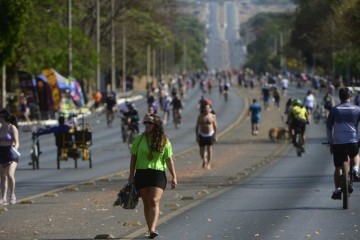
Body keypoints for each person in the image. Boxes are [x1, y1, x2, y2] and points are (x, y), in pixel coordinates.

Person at [128, 113, 177, 239]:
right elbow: (133, 157)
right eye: (145, 122)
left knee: (154, 201)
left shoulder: (164, 140)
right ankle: (150, 229)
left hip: (157, 173)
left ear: (156, 125)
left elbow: (169, 160)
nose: (147, 125)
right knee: (146, 202)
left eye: (149, 123)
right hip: (142, 173)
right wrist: (131, 175)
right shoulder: (139, 139)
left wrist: (174, 176)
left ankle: (153, 228)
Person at [326, 87, 360, 200]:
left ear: (340, 97)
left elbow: (329, 128)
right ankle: (355, 170)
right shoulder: (357, 109)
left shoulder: (334, 110)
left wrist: (330, 142)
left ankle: (337, 190)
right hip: (353, 141)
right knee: (355, 154)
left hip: (338, 143)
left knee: (338, 168)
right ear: (350, 96)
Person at [0, 110, 19, 205]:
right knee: (3, 176)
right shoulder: (0, 128)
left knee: (10, 174)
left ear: (3, 117)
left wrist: (14, 149)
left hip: (11, 152)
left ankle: (12, 195)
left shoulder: (12, 128)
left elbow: (17, 142)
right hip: (2, 152)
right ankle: (3, 198)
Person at [195, 103, 218, 169]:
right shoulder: (200, 117)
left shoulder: (212, 116)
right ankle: (204, 159)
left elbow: (215, 126)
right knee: (201, 151)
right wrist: (197, 136)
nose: (206, 109)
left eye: (207, 108)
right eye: (205, 108)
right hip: (202, 134)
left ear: (210, 109)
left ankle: (208, 164)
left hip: (210, 134)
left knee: (209, 149)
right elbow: (197, 127)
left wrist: (215, 136)